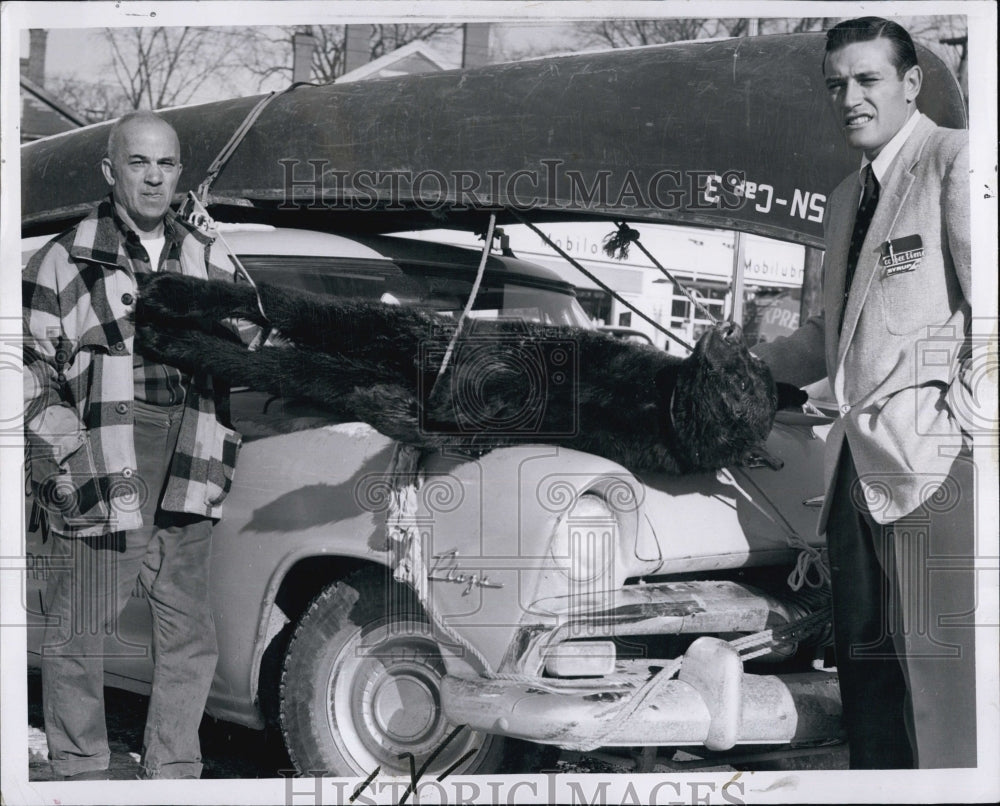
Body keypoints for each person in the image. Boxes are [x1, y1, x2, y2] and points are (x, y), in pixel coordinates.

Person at [754, 18, 975, 768]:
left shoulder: (957, 161)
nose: (850, 97)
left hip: (937, 470)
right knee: (870, 689)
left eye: (867, 79)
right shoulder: (848, 196)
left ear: (911, 84)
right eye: (836, 85)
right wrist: (737, 369)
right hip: (853, 468)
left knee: (944, 695)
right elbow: (829, 335)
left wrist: (962, 427)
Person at [23, 111, 253, 780]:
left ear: (181, 173)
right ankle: (81, 768)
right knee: (83, 624)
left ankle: (174, 770)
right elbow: (26, 369)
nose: (154, 178)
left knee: (189, 629)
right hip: (109, 449)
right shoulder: (64, 258)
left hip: (193, 444)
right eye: (139, 162)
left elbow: (253, 337)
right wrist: (66, 451)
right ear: (110, 170)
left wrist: (233, 283)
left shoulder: (207, 254)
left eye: (167, 164)